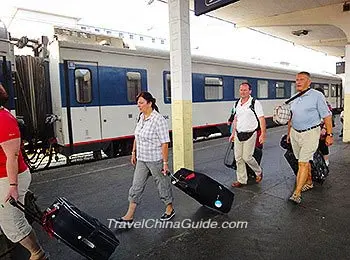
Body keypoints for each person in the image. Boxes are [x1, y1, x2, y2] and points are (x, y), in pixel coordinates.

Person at [0, 83, 48, 260]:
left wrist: (13, 186)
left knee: (13, 223)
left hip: (10, 178)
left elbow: (12, 157)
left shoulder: (3, 120)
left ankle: (37, 253)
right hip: (4, 177)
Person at [117, 91, 174, 224]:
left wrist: (165, 163)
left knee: (162, 185)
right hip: (142, 159)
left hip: (155, 159)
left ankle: (169, 209)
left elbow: (165, 142)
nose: (139, 105)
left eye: (141, 103)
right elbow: (137, 135)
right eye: (138, 103)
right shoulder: (141, 116)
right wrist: (133, 152)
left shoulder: (158, 120)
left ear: (150, 103)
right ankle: (129, 216)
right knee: (136, 186)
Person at [287, 72, 333, 204]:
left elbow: (327, 116)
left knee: (302, 162)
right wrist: (289, 133)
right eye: (296, 80)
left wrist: (329, 135)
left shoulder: (317, 96)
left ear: (309, 82)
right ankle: (309, 181)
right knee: (303, 161)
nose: (298, 82)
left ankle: (297, 193)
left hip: (310, 133)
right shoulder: (294, 97)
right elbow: (291, 117)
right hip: (295, 133)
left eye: (301, 79)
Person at [229, 82, 266, 187]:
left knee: (247, 157)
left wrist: (263, 134)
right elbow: (236, 119)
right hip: (238, 134)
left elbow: (261, 119)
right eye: (241, 90)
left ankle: (258, 171)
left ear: (250, 91)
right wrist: (232, 133)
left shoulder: (255, 103)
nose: (243, 92)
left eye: (245, 90)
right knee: (238, 158)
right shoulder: (237, 103)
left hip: (250, 133)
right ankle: (241, 180)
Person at [314, 87, 332, 166]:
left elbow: (329, 117)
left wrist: (325, 128)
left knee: (323, 145)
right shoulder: (313, 104)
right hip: (314, 129)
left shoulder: (326, 104)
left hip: (322, 128)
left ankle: (326, 161)